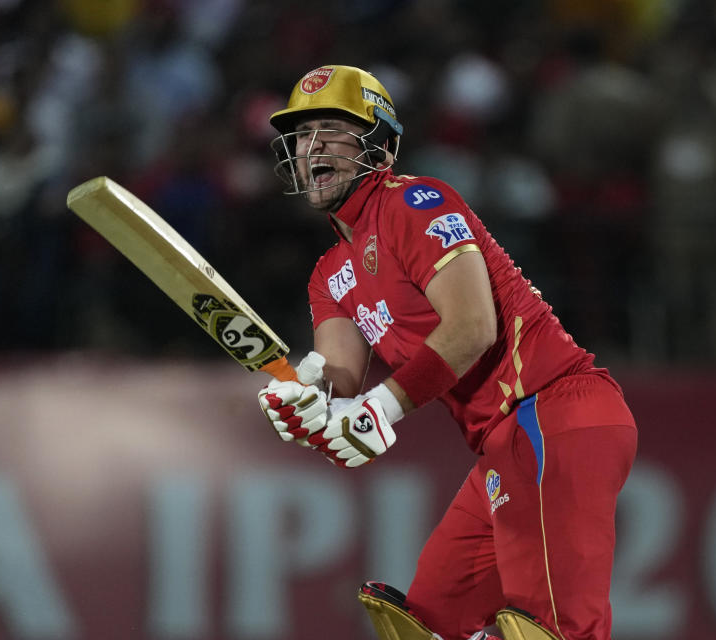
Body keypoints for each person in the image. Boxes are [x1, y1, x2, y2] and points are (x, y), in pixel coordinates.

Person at [257, 65, 637, 640]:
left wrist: (380, 410)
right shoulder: (328, 274)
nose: (313, 146)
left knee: (555, 632)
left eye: (332, 128)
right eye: (302, 134)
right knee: (431, 622)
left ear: (379, 147)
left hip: (552, 411)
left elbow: (473, 327)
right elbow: (340, 382)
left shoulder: (415, 202)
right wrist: (306, 404)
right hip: (502, 445)